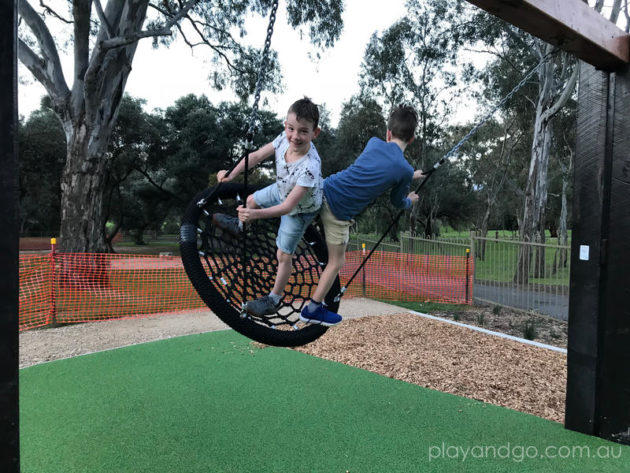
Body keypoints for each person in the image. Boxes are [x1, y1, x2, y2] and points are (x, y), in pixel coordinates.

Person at [299, 104, 425, 327]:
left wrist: (410, 175)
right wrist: (410, 200)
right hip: (338, 213)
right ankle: (313, 308)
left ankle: (250, 214)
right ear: (412, 138)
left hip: (325, 188)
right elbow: (397, 201)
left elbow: (376, 168)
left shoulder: (374, 143)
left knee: (291, 212)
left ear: (388, 133)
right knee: (336, 262)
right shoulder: (403, 170)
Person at [212, 97, 324, 318]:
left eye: (303, 131)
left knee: (283, 254)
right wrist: (231, 173)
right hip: (282, 188)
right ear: (285, 126)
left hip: (300, 209)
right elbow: (255, 156)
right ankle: (238, 227)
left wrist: (254, 215)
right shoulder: (283, 138)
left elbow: (286, 207)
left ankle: (274, 299)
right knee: (252, 198)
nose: (295, 136)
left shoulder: (310, 166)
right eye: (291, 128)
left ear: (315, 133)